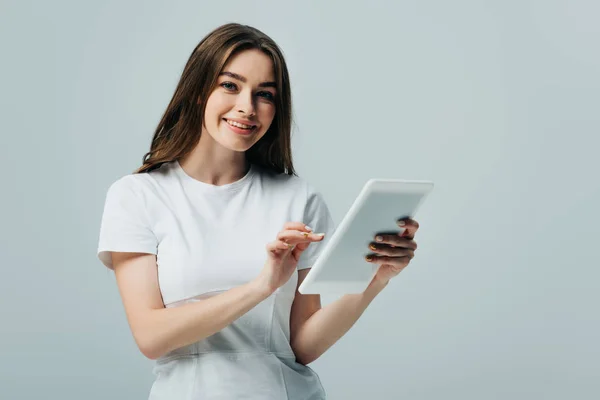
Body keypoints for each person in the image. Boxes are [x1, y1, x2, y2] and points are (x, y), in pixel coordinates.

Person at [97, 22, 420, 400]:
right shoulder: (137, 195)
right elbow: (151, 336)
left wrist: (375, 279)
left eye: (264, 94)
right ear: (199, 91)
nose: (246, 108)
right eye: (230, 85)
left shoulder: (298, 197)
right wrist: (261, 286)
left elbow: (302, 346)